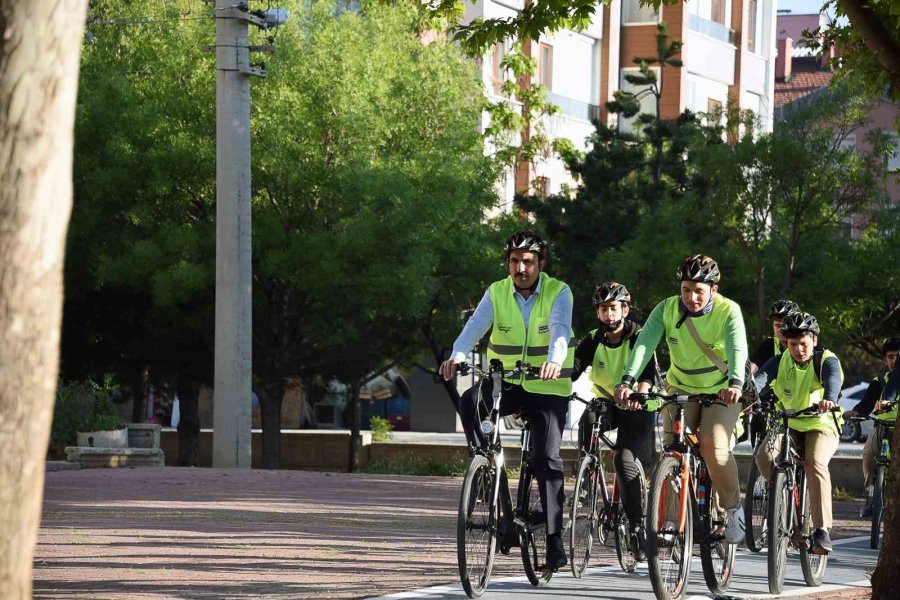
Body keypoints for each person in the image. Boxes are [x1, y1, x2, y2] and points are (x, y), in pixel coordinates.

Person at [439, 229, 574, 570]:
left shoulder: (559, 292)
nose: (520, 268)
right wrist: (457, 354)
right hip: (509, 382)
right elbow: (476, 325)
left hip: (548, 386)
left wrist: (554, 361)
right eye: (514, 261)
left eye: (528, 261)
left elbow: (560, 329)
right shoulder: (497, 292)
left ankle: (555, 542)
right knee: (471, 400)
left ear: (541, 263)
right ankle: (484, 466)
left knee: (547, 459)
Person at [615, 254, 748, 543]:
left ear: (714, 288)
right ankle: (673, 521)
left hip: (721, 390)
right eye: (686, 289)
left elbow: (738, 349)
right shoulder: (667, 309)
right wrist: (627, 379)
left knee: (713, 443)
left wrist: (736, 382)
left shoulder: (729, 311)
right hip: (681, 388)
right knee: (672, 449)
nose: (691, 297)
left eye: (699, 290)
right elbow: (643, 346)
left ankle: (732, 507)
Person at [571, 282, 659, 559]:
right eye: (603, 309)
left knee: (623, 460)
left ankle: (636, 528)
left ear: (624, 309)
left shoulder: (639, 336)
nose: (608, 314)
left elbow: (647, 375)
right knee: (588, 419)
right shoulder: (594, 338)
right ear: (597, 312)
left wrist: (639, 395)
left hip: (639, 404)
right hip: (608, 400)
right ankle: (588, 474)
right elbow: (574, 367)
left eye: (613, 308)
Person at [752, 312, 844, 554]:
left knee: (815, 462)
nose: (798, 349)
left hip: (820, 424)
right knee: (764, 455)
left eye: (803, 343)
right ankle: (780, 496)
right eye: (793, 344)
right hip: (789, 423)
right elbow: (760, 380)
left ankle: (822, 530)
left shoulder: (826, 360)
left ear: (813, 340)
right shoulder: (780, 361)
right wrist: (748, 395)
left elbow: (833, 379)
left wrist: (830, 398)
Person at [844, 337, 900, 517]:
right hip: (882, 426)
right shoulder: (880, 380)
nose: (895, 360)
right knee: (868, 455)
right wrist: (856, 411)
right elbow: (868, 401)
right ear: (885, 360)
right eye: (891, 357)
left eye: (898, 356)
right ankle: (873, 495)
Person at [745, 300, 801, 446]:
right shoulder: (769, 345)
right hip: (768, 402)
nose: (781, 329)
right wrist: (743, 386)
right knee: (758, 431)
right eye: (777, 325)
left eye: (785, 324)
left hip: (797, 403)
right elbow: (752, 368)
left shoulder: (805, 347)